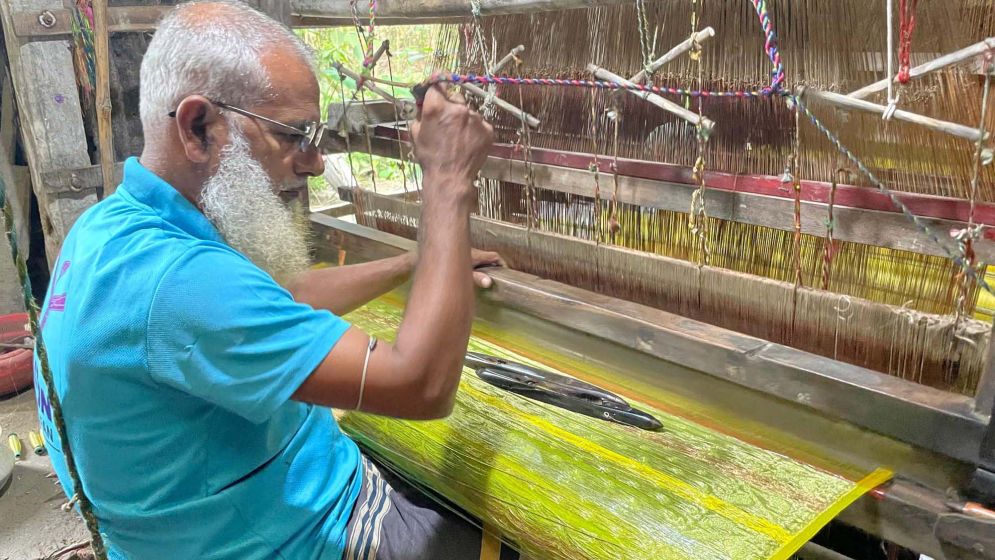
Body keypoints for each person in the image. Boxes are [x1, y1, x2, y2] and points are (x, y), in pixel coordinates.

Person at [33, 1, 506, 558]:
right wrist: (448, 179)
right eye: (294, 134)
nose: (314, 163)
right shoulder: (179, 283)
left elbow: (278, 298)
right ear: (198, 127)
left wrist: (419, 264)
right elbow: (421, 386)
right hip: (293, 538)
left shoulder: (111, 226)